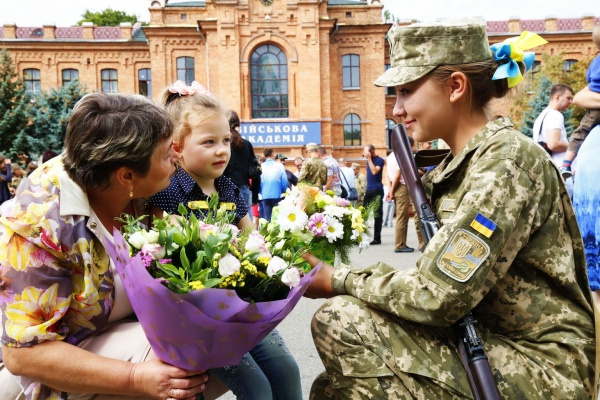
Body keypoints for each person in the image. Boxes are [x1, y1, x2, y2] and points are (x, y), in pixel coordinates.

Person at [302, 20, 595, 399]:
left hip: (544, 366)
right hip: (489, 339)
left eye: (406, 91)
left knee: (342, 320)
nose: (397, 109)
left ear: (456, 86)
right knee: (331, 390)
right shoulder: (464, 162)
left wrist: (337, 279)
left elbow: (437, 294)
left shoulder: (506, 162)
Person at [0, 93, 230, 400]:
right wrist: (135, 378)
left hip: (116, 330)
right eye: (167, 154)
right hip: (51, 365)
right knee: (180, 357)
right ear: (127, 176)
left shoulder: (143, 189)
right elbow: (24, 355)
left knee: (225, 345)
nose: (177, 156)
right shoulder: (38, 224)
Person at [150, 81, 302, 399]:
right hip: (201, 319)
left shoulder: (229, 190)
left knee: (287, 370)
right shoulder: (169, 191)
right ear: (177, 148)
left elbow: (254, 242)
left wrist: (279, 261)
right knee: (257, 389)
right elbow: (169, 255)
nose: (222, 150)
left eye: (225, 141)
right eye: (208, 142)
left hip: (242, 308)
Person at [560, 25, 600, 179]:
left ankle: (566, 163)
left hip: (594, 105)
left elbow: (588, 79)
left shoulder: (595, 62)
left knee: (581, 131)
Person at [223, 109, 259, 222]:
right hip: (244, 188)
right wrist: (255, 196)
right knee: (247, 224)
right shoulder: (246, 144)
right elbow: (255, 170)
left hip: (224, 188)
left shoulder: (223, 144)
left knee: (226, 224)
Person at [532, 83, 573, 167]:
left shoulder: (541, 116)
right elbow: (553, 144)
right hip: (558, 167)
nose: (570, 102)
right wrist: (574, 146)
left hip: (547, 166)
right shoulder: (555, 115)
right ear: (557, 97)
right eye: (568, 98)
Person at [386, 150, 414, 253]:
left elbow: (387, 176)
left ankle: (402, 243)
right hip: (401, 186)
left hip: (395, 186)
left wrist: (390, 190)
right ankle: (400, 245)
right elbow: (397, 175)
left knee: (402, 217)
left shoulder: (390, 156)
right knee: (402, 217)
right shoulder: (400, 155)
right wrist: (391, 191)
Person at [363, 144, 385, 245]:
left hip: (377, 190)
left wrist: (369, 159)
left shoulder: (380, 160)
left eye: (366, 152)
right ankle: (360, 237)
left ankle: (377, 238)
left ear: (372, 151)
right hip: (369, 190)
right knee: (363, 213)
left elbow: (375, 171)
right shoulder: (368, 161)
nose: (364, 154)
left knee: (377, 215)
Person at [259, 148, 288, 221]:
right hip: (277, 195)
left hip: (265, 196)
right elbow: (284, 181)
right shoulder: (279, 165)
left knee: (267, 220)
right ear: (272, 154)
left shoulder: (261, 166)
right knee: (278, 219)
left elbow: (258, 181)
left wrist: (261, 192)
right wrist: (284, 191)